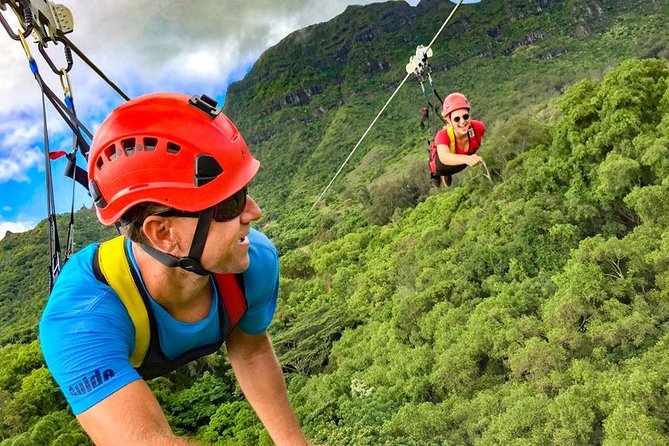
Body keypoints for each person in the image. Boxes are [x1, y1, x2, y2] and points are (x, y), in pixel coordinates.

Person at [39, 93, 311, 446]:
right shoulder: (79, 321)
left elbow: (251, 349)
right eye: (230, 204)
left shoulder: (254, 261)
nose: (254, 213)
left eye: (245, 191)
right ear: (162, 233)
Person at [429, 92, 486, 187]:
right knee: (435, 167)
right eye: (456, 119)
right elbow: (444, 157)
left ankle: (447, 173)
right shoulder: (443, 135)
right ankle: (436, 175)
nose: (462, 122)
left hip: (462, 163)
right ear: (449, 120)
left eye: (465, 116)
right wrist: (466, 158)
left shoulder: (478, 128)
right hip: (442, 167)